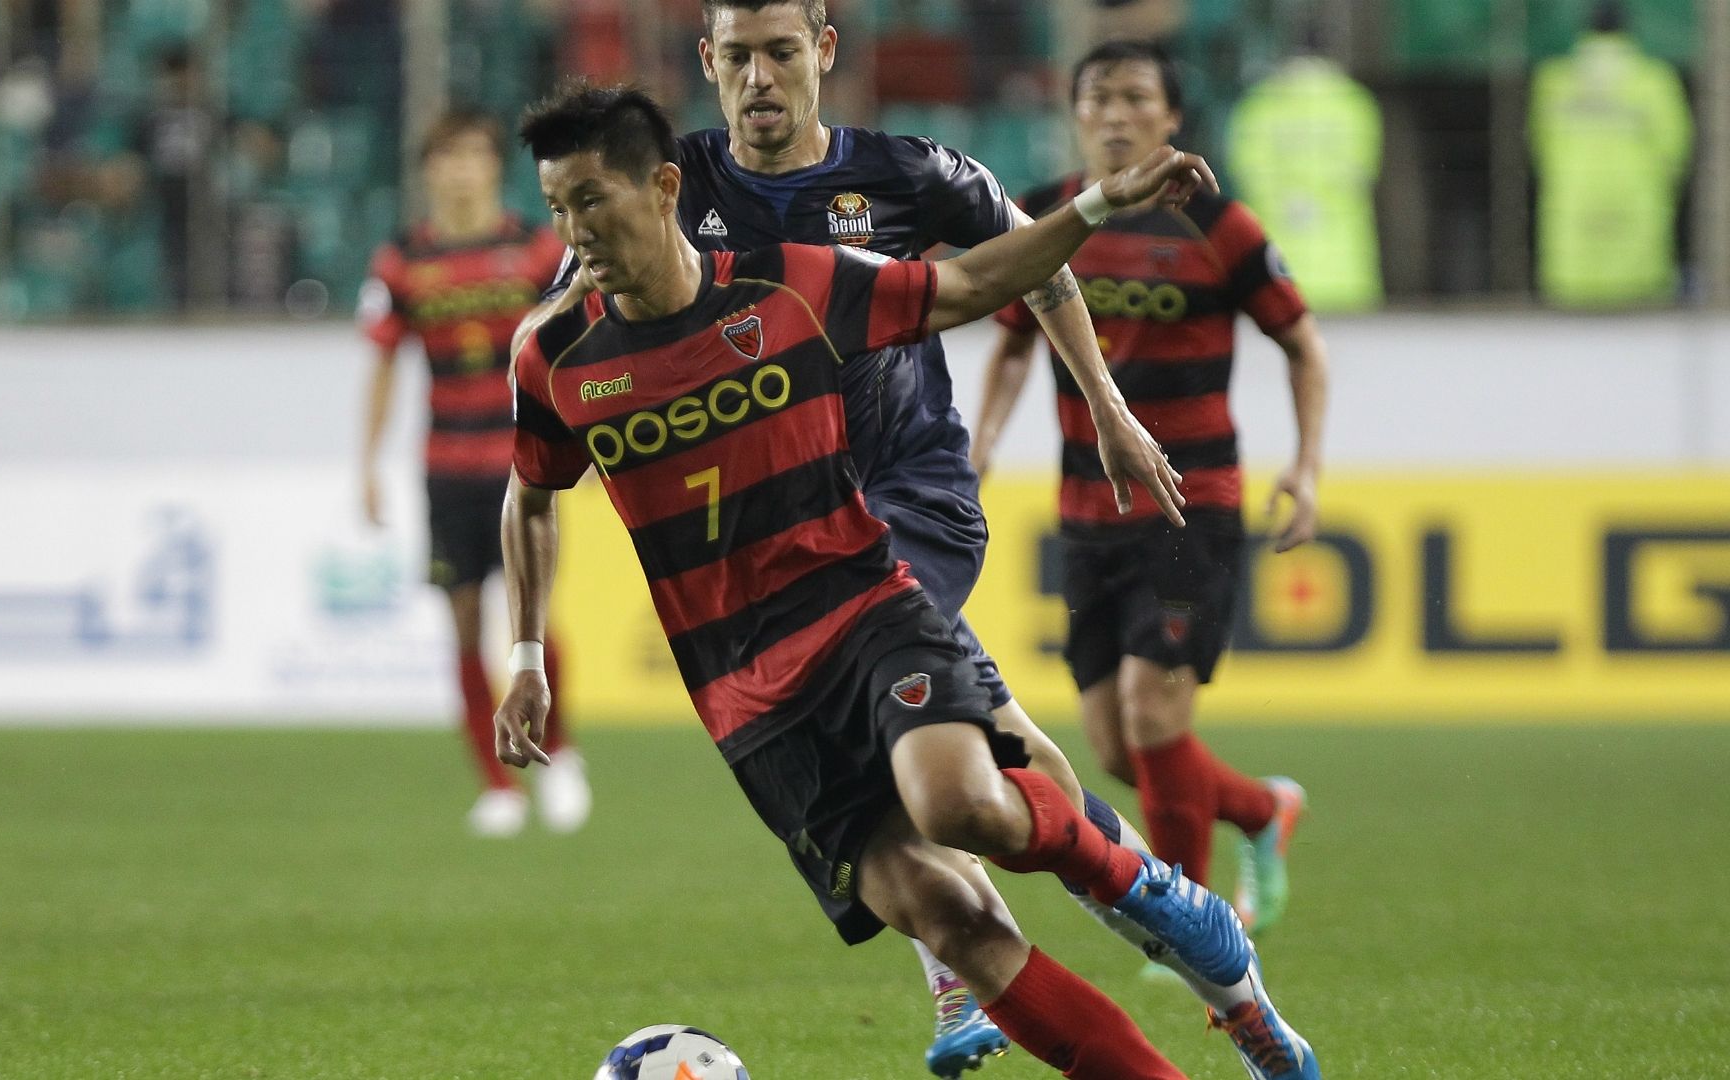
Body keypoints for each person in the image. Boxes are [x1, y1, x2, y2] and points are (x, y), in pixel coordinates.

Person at [499, 80, 1317, 1080]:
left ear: (663, 187)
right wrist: (528, 651)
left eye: (592, 200)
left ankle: (1143, 883)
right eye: (555, 207)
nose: (572, 231)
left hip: (861, 610)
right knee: (951, 914)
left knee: (959, 806)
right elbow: (530, 495)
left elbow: (971, 285)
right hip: (743, 696)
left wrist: (1097, 205)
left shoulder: (791, 284)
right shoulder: (551, 354)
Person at [975, 40, 1329, 945]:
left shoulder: (1221, 225)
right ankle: (1258, 809)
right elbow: (1015, 342)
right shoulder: (1050, 217)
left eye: (1137, 98)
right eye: (1099, 98)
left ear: (1173, 119)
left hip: (1191, 507)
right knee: (1115, 748)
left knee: (1151, 709)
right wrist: (978, 443)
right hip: (1088, 513)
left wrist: (1306, 464)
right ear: (1075, 113)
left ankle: (1190, 930)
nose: (1117, 114)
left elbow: (1303, 346)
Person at [357, 109, 590, 838]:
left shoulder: (534, 250)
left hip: (523, 467)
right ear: (430, 170)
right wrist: (366, 463)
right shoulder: (402, 259)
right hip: (445, 468)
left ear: (493, 167)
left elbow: (574, 346)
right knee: (461, 624)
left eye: (474, 155)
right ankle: (497, 785)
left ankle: (561, 752)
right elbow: (385, 364)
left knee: (531, 617)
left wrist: (587, 437)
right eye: (447, 157)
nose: (461, 170)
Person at [1529, 0, 1692, 308]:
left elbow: (1541, 141)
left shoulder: (1556, 79)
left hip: (1573, 188)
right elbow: (1675, 142)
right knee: (1636, 264)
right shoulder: (1653, 78)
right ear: (1629, 29)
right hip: (1637, 187)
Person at [1228, 31, 1384, 313]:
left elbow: (1248, 171)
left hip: (1272, 280)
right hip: (1345, 278)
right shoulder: (1354, 101)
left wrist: (1286, 201)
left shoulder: (1260, 103)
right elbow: (1359, 174)